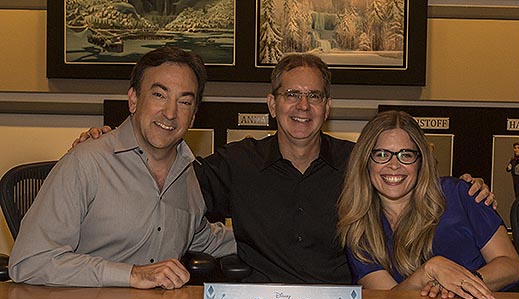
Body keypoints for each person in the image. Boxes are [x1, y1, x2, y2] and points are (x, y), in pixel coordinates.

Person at [73, 54, 494, 284]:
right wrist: (113, 140)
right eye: (291, 94)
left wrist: (470, 187)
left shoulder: (357, 163)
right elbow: (163, 182)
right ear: (272, 104)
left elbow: (408, 179)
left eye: (313, 96)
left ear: (327, 108)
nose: (303, 106)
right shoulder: (236, 162)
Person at [8, 47, 236, 289]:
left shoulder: (188, 173)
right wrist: (132, 274)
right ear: (133, 100)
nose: (170, 113)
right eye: (159, 95)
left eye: (184, 101)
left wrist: (271, 232)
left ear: (193, 116)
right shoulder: (86, 162)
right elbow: (28, 262)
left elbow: (202, 236)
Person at [338, 111, 519, 299]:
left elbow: (512, 266)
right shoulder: (360, 231)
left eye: (406, 155)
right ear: (366, 161)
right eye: (382, 154)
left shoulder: (461, 193)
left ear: (421, 162)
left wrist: (460, 284)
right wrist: (430, 270)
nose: (394, 165)